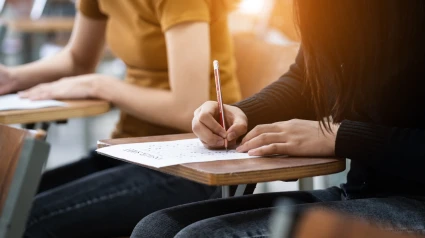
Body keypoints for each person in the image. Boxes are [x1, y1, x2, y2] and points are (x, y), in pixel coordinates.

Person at [131, 0, 425, 237]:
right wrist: (241, 113)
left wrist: (339, 136)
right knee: (156, 228)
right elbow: (308, 80)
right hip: (364, 193)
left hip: (415, 204)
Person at [0, 0, 241, 237]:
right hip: (130, 148)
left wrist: (99, 85)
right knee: (8, 202)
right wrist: (11, 77)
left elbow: (187, 109)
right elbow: (78, 59)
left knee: (26, 218)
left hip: (193, 161)